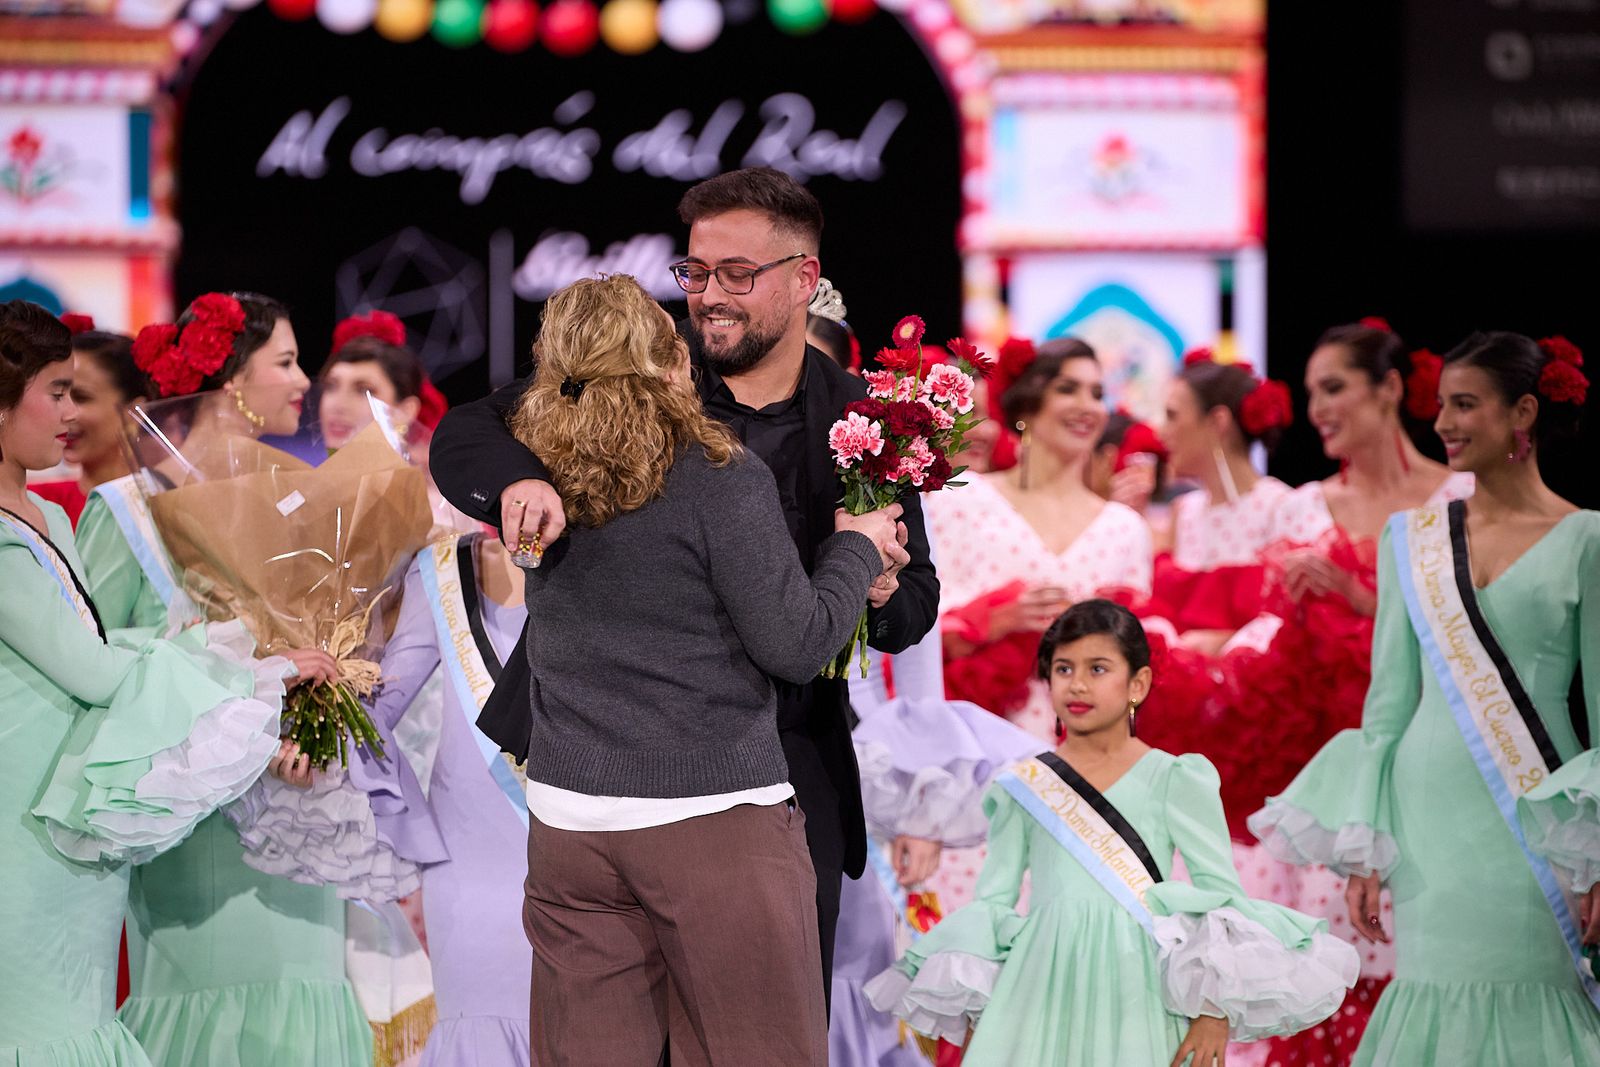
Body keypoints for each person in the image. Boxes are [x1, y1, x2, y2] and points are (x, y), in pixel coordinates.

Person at [428, 167, 940, 996]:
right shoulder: (627, 385)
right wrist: (524, 482)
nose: (709, 296)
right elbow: (467, 431)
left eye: (738, 274)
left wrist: (875, 588)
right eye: (696, 272)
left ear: (805, 279)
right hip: (611, 766)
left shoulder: (868, 421)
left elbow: (917, 604)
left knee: (763, 1038)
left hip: (789, 761)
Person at [505, 274, 898, 1064]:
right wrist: (857, 546)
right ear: (668, 363)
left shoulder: (537, 473)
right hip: (713, 823)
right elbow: (797, 644)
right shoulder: (716, 473)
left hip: (569, 827)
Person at [76, 292, 412, 1067]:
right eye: (288, 362)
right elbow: (94, 662)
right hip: (198, 830)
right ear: (230, 380)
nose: (306, 383)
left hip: (299, 818)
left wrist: (319, 709)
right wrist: (224, 674)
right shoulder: (127, 509)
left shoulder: (305, 502)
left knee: (305, 1001)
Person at [1251, 331, 1600, 1066]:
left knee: (1537, 989)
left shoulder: (1587, 539)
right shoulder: (1411, 537)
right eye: (1441, 404)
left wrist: (1597, 857)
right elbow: (1385, 711)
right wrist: (1365, 841)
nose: (1443, 422)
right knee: (1435, 992)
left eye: (1466, 404)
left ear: (1524, 412)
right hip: (1426, 821)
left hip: (1540, 814)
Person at [0, 300, 307, 1064]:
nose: (70, 413)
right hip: (21, 829)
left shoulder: (47, 515)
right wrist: (246, 665)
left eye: (75, 391)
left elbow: (104, 641)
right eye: (55, 390)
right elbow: (94, 671)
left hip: (73, 823)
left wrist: (212, 641)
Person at [866, 600, 1359, 1066]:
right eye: (1064, 669)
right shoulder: (1023, 783)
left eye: (1097, 669)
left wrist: (1212, 1010)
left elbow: (1219, 896)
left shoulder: (1176, 777)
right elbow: (994, 902)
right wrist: (979, 1009)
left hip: (1139, 986)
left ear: (1138, 684)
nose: (1077, 685)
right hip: (1041, 984)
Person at [1212, 320, 1472, 1065]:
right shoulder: (1303, 507)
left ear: (1389, 388)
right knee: (1323, 963)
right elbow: (1271, 643)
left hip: (1434, 765)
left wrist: (1359, 598)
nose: (1318, 407)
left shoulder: (1459, 497)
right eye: (1310, 392)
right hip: (1327, 776)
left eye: (1335, 387)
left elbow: (1476, 636)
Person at [924, 337, 1154, 920]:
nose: (1087, 405)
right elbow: (909, 641)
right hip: (969, 768)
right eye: (1068, 388)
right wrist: (987, 624)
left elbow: (1141, 672)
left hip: (1088, 773)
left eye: (1098, 392)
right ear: (1026, 404)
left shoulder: (1125, 531)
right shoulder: (960, 503)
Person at [362, 529, 533, 1066]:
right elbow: (374, 714)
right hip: (474, 863)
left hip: (596, 850)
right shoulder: (440, 570)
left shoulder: (612, 551)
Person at [30, 323, 147, 525]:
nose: (65, 412)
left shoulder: (165, 504)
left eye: (81, 397)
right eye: (57, 396)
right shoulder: (34, 507)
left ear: (134, 411)